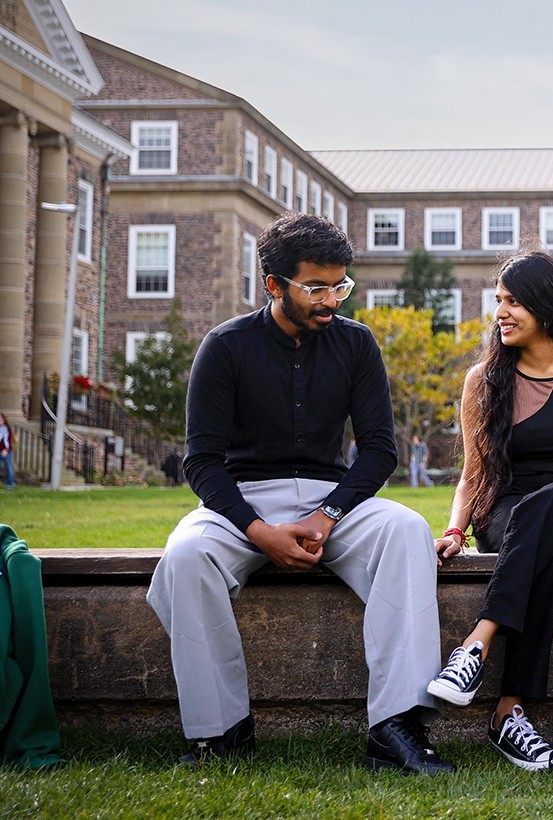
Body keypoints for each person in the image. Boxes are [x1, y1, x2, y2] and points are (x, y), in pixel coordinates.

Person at [146, 213, 452, 774]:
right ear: (273, 284)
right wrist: (257, 531)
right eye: (315, 287)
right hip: (240, 500)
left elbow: (380, 450)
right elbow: (202, 463)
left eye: (339, 285)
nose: (330, 299)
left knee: (407, 528)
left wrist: (328, 514)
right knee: (186, 556)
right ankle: (221, 736)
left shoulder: (357, 345)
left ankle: (395, 730)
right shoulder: (224, 347)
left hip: (331, 500)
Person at [425, 247, 553, 771]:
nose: (501, 313)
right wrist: (455, 529)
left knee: (552, 504)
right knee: (552, 557)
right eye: (498, 301)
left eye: (514, 301)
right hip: (508, 512)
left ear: (546, 305)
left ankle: (476, 643)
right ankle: (508, 714)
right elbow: (474, 473)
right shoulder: (483, 380)